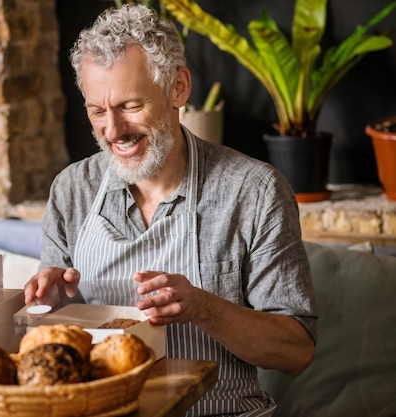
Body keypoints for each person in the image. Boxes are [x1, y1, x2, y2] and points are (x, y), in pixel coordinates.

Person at [23, 4, 317, 416]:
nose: (112, 130)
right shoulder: (72, 189)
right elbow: (56, 345)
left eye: (129, 106)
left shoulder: (255, 191)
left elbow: (297, 352)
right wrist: (50, 305)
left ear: (178, 87)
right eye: (96, 111)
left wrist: (203, 307)